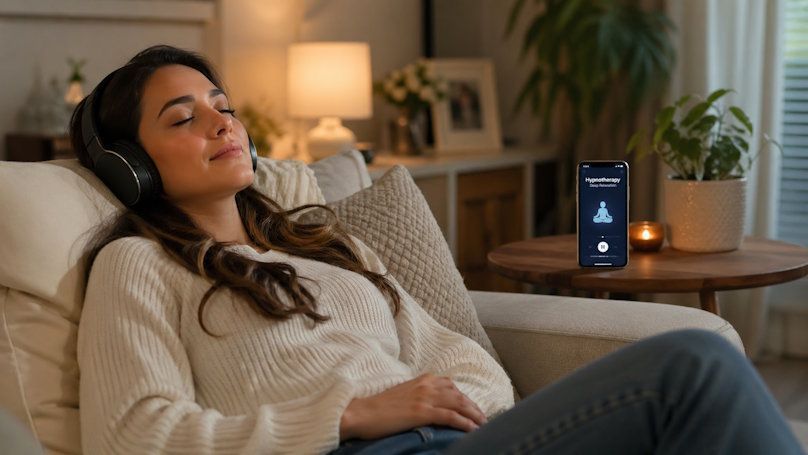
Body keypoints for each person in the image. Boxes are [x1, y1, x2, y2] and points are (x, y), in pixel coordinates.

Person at [72, 45, 804, 455]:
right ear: (129, 165)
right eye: (184, 117)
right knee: (694, 365)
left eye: (223, 107)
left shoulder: (326, 244)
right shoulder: (138, 266)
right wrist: (351, 414)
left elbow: (460, 358)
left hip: (451, 442)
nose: (220, 123)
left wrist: (453, 407)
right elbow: (131, 434)